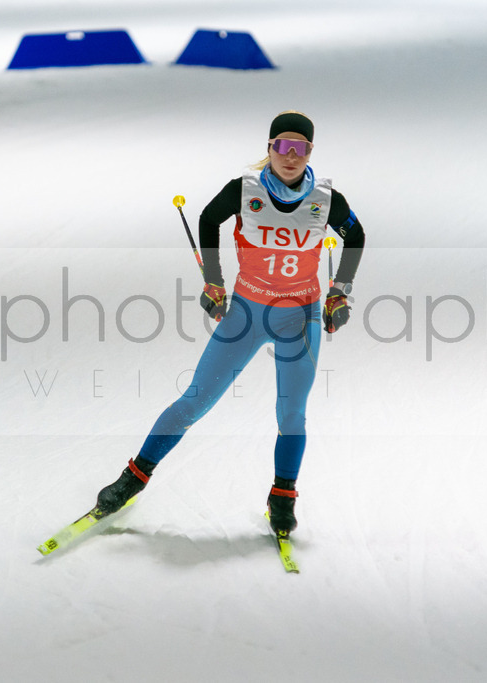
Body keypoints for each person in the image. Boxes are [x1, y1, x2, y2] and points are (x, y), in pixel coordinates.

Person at [95, 111, 366, 534]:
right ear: (270, 149)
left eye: (300, 148)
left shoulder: (327, 200)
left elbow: (356, 234)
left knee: (292, 414)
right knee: (194, 400)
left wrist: (338, 292)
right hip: (246, 315)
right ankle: (133, 478)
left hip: (301, 317)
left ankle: (283, 496)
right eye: (283, 146)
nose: (291, 156)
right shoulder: (246, 190)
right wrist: (214, 282)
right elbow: (207, 219)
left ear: (310, 151)